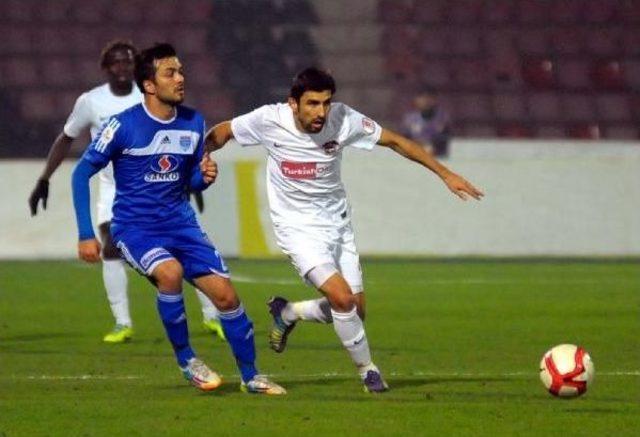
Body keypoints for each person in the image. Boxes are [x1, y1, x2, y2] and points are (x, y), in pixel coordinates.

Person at [204, 67, 483, 393]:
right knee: (341, 298)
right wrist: (200, 158)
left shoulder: (343, 119)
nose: (321, 112)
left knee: (354, 309)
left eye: (325, 103)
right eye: (312, 104)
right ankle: (369, 371)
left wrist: (445, 174)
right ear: (293, 103)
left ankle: (291, 312)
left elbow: (395, 141)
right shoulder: (269, 120)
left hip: (338, 226)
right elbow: (222, 132)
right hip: (297, 229)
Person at [70, 43, 284, 394]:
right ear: (149, 85)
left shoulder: (194, 122)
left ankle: (251, 376)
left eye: (181, 71)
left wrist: (205, 178)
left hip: (182, 226)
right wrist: (85, 233)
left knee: (227, 298)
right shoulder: (121, 126)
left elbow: (190, 180)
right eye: (170, 73)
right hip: (135, 228)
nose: (180, 78)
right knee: (169, 273)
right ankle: (188, 359)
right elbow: (81, 174)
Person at [28, 40, 225, 343]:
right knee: (112, 246)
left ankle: (212, 316)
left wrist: (194, 181)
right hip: (114, 188)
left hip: (162, 184)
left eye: (128, 61)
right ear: (105, 67)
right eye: (116, 62)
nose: (123, 67)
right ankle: (123, 321)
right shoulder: (91, 101)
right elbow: (67, 138)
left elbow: (181, 140)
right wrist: (45, 177)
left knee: (181, 253)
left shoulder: (153, 92)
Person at [401, 87, 451, 157]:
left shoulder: (442, 118)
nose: (425, 101)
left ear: (435, 100)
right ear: (416, 100)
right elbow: (404, 140)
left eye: (429, 97)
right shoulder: (410, 119)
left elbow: (443, 141)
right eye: (422, 98)